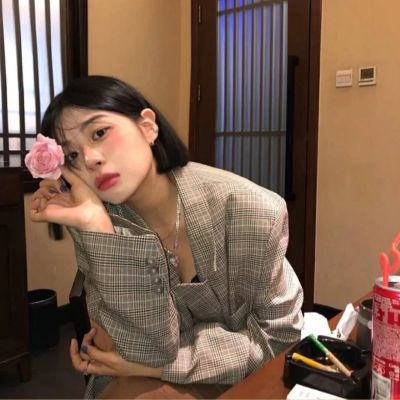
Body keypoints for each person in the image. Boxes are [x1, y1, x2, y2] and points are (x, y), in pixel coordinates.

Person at [29, 75, 304, 399]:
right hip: (138, 379)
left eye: (99, 133)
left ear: (147, 126)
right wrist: (96, 226)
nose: (90, 158)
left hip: (242, 377)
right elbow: (128, 350)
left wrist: (161, 367)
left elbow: (278, 340)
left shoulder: (250, 210)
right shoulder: (99, 221)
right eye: (72, 156)